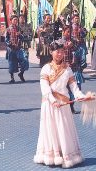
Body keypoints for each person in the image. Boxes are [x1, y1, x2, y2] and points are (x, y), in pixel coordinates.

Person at [34, 39, 92, 168]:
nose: (60, 54)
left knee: (64, 128)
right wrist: (53, 100)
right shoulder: (45, 68)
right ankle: (51, 156)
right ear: (51, 52)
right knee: (51, 128)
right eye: (57, 51)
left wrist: (81, 96)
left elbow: (74, 87)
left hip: (64, 104)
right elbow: (45, 88)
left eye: (62, 51)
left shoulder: (68, 69)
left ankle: (66, 155)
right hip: (50, 104)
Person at [5, 12, 29, 83]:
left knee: (25, 61)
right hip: (11, 49)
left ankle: (21, 74)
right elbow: (6, 39)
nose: (15, 21)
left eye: (16, 20)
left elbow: (23, 37)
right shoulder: (8, 29)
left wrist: (20, 35)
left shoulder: (19, 28)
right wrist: (10, 44)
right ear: (11, 20)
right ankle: (12, 78)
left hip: (19, 48)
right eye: (14, 19)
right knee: (11, 63)